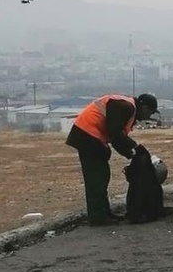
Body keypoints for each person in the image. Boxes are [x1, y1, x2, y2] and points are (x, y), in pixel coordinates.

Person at [65, 93, 159, 225]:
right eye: (150, 112)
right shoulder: (125, 107)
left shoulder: (125, 106)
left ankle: (103, 213)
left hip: (88, 136)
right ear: (144, 106)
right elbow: (116, 134)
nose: (149, 116)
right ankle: (98, 217)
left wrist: (131, 153)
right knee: (96, 178)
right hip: (86, 136)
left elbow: (116, 136)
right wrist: (134, 149)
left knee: (102, 175)